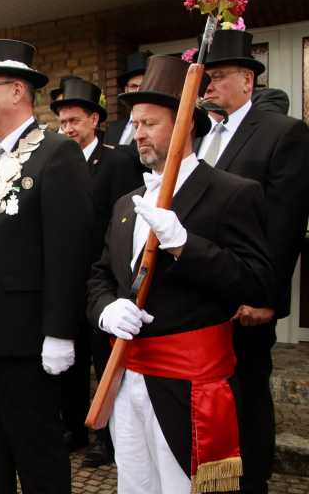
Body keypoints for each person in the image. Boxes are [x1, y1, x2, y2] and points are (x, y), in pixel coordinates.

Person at [87, 54, 274, 494]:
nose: (138, 133)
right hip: (127, 380)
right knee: (135, 486)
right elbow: (99, 275)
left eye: (150, 123)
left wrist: (185, 245)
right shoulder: (128, 203)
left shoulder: (232, 193)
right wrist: (106, 309)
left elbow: (257, 281)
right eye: (135, 124)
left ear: (186, 124)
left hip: (190, 387)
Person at [0, 38, 93, 492]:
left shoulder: (57, 153)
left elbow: (69, 251)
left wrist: (60, 332)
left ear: (17, 91)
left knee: (38, 457)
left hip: (25, 342)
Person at [197, 29, 309, 494]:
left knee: (246, 395)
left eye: (219, 76)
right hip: (202, 295)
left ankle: (252, 482)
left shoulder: (282, 133)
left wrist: (268, 298)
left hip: (247, 299)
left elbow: (285, 225)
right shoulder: (200, 136)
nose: (209, 86)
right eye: (205, 77)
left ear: (248, 80)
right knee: (210, 398)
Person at [50, 76, 143, 466]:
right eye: (62, 122)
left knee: (104, 361)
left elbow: (128, 220)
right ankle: (72, 428)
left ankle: (107, 438)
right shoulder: (57, 163)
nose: (68, 128)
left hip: (102, 281)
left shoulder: (118, 161)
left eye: (74, 120)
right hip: (66, 280)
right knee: (68, 361)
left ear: (94, 120)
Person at [103, 51, 151, 147]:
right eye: (134, 86)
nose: (138, 91)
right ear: (126, 90)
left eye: (144, 86)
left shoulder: (157, 127)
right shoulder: (113, 129)